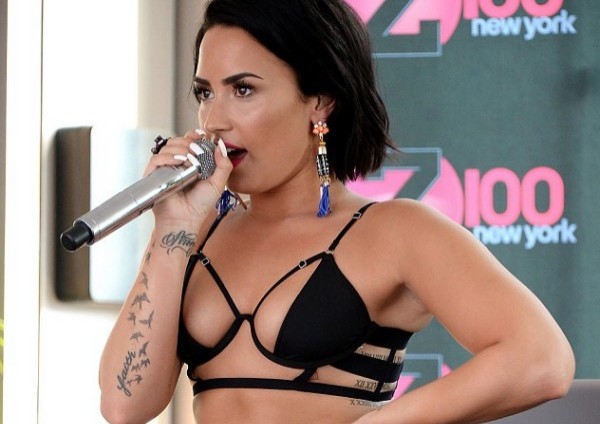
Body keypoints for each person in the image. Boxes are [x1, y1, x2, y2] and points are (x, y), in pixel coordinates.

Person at [98, 0, 575, 423]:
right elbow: (125, 406)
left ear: (320, 101)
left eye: (243, 89)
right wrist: (173, 229)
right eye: (205, 93)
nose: (214, 121)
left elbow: (541, 359)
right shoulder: (195, 233)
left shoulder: (395, 231)